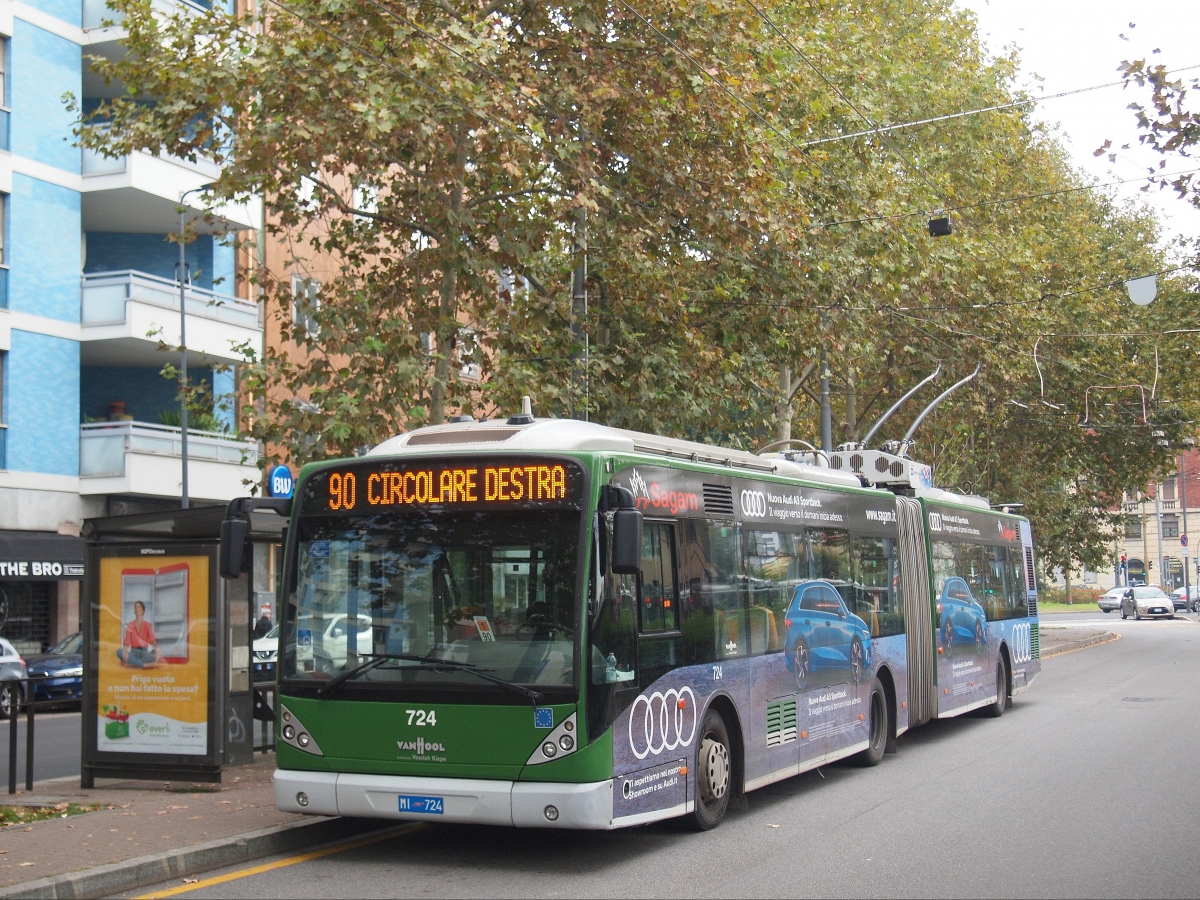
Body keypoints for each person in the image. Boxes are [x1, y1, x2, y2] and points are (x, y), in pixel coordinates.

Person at [117, 600, 158, 668]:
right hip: (134, 652)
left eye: (139, 607)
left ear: (143, 611)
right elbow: (127, 642)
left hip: (145, 653)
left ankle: (132, 664)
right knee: (119, 652)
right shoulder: (130, 625)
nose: (137, 609)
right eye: (135, 607)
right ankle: (143, 665)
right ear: (134, 611)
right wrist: (125, 650)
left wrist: (157, 648)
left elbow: (152, 640)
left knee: (155, 654)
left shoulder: (147, 625)